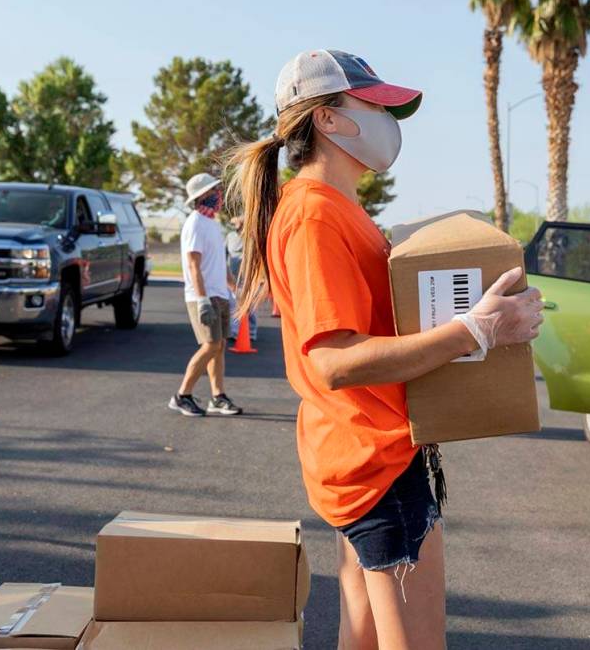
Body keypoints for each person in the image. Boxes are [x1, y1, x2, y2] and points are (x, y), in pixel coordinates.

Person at [224, 50, 542, 648]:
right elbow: (335, 361)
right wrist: (476, 331)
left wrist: (482, 317)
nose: (388, 119)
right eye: (374, 105)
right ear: (329, 118)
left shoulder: (336, 209)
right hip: (378, 465)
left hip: (365, 458)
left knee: (362, 640)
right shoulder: (316, 216)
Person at [168, 173, 243, 417]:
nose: (218, 194)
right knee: (210, 345)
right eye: (214, 191)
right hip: (203, 296)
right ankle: (182, 395)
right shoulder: (195, 224)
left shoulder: (212, 224)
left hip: (218, 294)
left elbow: (219, 263)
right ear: (202, 196)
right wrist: (201, 300)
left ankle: (218, 397)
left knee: (219, 346)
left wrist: (234, 289)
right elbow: (193, 264)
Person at [226, 215, 258, 341]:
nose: (238, 226)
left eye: (241, 223)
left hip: (247, 277)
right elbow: (224, 253)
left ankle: (251, 332)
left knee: (249, 304)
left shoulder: (251, 237)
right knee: (234, 304)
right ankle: (234, 332)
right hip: (233, 276)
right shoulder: (230, 237)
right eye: (237, 224)